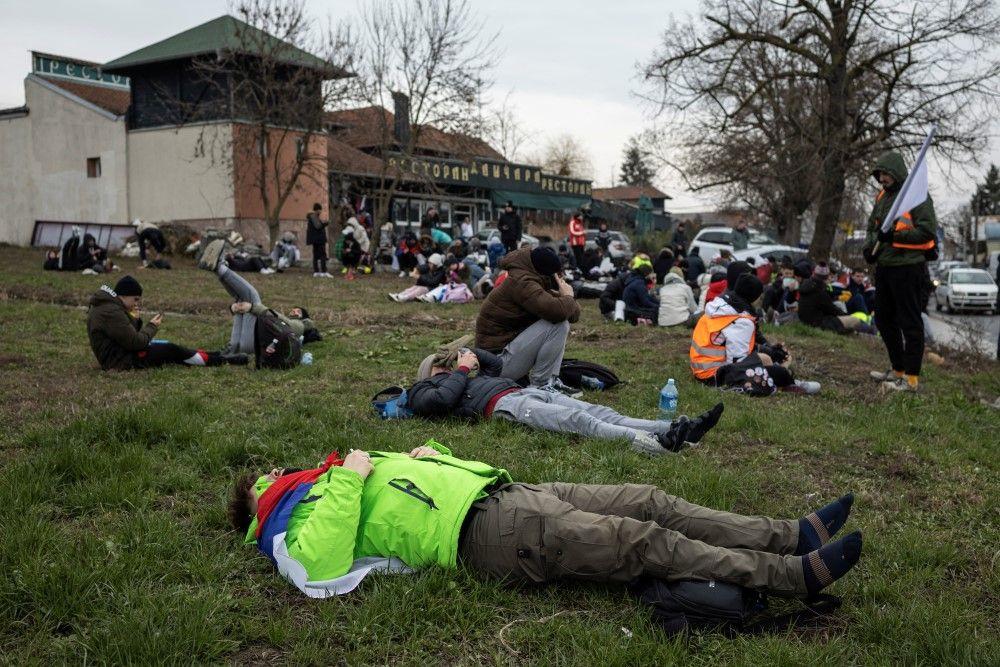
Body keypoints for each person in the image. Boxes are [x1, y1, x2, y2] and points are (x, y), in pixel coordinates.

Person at [229, 444, 863, 600]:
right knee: (642, 541)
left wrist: (435, 457)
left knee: (649, 500)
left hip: (505, 491)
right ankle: (790, 575)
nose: (280, 475)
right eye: (268, 480)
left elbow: (414, 486)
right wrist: (347, 475)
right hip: (486, 535)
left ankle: (790, 533)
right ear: (261, 499)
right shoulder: (286, 529)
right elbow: (319, 566)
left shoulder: (321, 481)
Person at [411, 347, 724, 454]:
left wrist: (472, 356)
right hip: (507, 407)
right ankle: (655, 443)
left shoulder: (466, 375)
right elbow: (441, 401)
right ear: (430, 371)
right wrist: (462, 370)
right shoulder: (423, 390)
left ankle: (678, 427)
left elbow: (496, 367)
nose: (449, 363)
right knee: (580, 422)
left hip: (525, 393)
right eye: (442, 361)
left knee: (600, 411)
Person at [862, 151, 937, 392]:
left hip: (908, 269)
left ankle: (912, 379)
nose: (881, 179)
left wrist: (893, 237)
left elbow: (927, 232)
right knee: (883, 318)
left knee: (910, 322)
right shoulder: (882, 196)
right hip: (885, 267)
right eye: (879, 174)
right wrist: (869, 248)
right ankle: (898, 370)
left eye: (885, 174)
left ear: (896, 172)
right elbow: (872, 228)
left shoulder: (917, 196)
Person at [690, 274, 820, 395]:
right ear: (754, 297)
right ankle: (788, 383)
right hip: (714, 376)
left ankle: (784, 382)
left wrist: (769, 351)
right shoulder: (742, 320)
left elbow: (731, 345)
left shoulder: (719, 306)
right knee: (779, 372)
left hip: (701, 369)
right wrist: (780, 368)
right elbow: (738, 362)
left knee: (765, 359)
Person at [86, 275, 247, 370]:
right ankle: (225, 360)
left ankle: (218, 354)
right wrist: (152, 326)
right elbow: (136, 342)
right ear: (123, 295)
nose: (137, 303)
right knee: (170, 350)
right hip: (120, 361)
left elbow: (128, 335)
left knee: (168, 346)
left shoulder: (110, 306)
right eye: (135, 299)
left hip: (121, 354)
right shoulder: (111, 312)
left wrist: (134, 318)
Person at [475, 247, 580, 392]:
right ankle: (539, 385)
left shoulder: (529, 279)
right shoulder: (522, 283)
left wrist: (564, 297)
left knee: (560, 321)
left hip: (500, 360)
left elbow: (573, 315)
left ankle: (550, 380)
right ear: (547, 274)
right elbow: (559, 313)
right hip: (495, 366)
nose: (560, 278)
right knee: (559, 325)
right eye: (557, 275)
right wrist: (568, 297)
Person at [198, 239, 317, 354]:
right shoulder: (286, 327)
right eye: (293, 310)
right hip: (243, 344)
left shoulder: (300, 326)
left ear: (304, 318)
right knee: (241, 299)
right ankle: (217, 269)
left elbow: (286, 321)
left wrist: (253, 307)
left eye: (298, 312)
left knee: (252, 296)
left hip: (254, 344)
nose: (294, 311)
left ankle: (219, 267)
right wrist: (236, 308)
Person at [797, 264, 867, 334]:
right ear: (824, 278)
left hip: (807, 321)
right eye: (829, 277)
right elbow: (832, 310)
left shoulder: (807, 286)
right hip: (819, 324)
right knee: (854, 320)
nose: (830, 279)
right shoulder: (820, 291)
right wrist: (847, 315)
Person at [306, 203, 331, 278]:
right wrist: (326, 223)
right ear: (317, 210)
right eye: (320, 210)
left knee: (316, 256)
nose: (320, 212)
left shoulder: (312, 217)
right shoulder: (313, 216)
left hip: (316, 240)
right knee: (322, 255)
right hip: (319, 240)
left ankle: (316, 271)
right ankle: (323, 271)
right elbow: (318, 226)